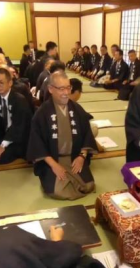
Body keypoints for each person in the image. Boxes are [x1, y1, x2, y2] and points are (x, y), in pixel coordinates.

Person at [28, 71, 98, 200]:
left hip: (74, 158)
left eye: (68, 87)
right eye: (61, 89)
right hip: (53, 160)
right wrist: (54, 165)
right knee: (57, 191)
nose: (66, 92)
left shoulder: (76, 109)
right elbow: (37, 143)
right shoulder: (42, 113)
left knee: (88, 186)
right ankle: (52, 175)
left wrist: (82, 157)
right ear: (50, 89)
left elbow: (87, 133)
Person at [0, 68, 32, 164]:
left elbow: (18, 126)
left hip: (18, 138)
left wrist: (2, 146)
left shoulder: (20, 100)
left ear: (10, 83)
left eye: (1, 83)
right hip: (5, 134)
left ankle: (19, 152)